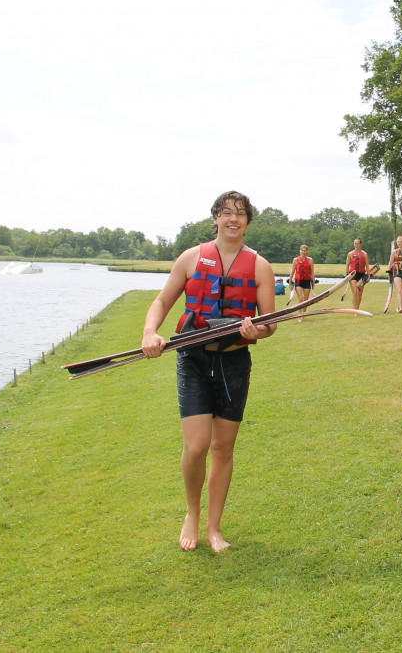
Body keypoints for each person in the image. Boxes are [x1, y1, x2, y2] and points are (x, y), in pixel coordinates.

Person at [141, 191, 277, 553]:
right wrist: (150, 332)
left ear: (248, 221)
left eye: (241, 213)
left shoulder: (260, 266)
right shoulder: (191, 258)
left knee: (222, 446)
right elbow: (162, 301)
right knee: (197, 445)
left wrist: (257, 331)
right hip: (193, 359)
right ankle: (191, 513)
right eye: (226, 213)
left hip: (233, 362)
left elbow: (270, 323)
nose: (234, 219)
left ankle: (214, 528)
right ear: (215, 218)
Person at [344, 237, 370, 310]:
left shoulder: (364, 254)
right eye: (355, 243)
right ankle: (355, 310)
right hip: (353, 274)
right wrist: (346, 275)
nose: (356, 245)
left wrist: (368, 276)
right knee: (355, 291)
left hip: (362, 275)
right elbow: (347, 265)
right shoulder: (350, 254)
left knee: (359, 293)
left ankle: (357, 309)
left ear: (360, 244)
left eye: (357, 244)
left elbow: (367, 266)